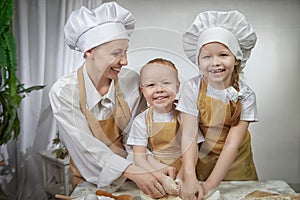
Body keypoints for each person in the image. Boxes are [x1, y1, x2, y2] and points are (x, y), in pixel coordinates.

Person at [49, 2, 170, 198]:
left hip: (134, 176)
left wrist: (152, 167)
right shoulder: (64, 91)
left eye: (125, 51)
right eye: (116, 53)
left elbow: (134, 138)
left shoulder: (130, 81)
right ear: (89, 52)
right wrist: (134, 171)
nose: (125, 61)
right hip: (90, 180)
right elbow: (85, 148)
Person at [177, 10, 258, 199]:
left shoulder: (245, 95)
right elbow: (189, 134)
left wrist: (211, 186)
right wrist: (190, 176)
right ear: (197, 61)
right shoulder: (192, 88)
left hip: (236, 164)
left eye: (223, 54)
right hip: (202, 162)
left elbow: (232, 143)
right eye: (206, 56)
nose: (215, 62)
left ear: (237, 59)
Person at [127, 58, 204, 197]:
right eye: (151, 85)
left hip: (187, 174)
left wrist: (182, 177)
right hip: (156, 176)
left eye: (166, 83)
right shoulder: (141, 121)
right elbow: (139, 158)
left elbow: (194, 149)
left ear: (177, 86)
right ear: (142, 90)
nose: (159, 90)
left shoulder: (185, 116)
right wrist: (161, 178)